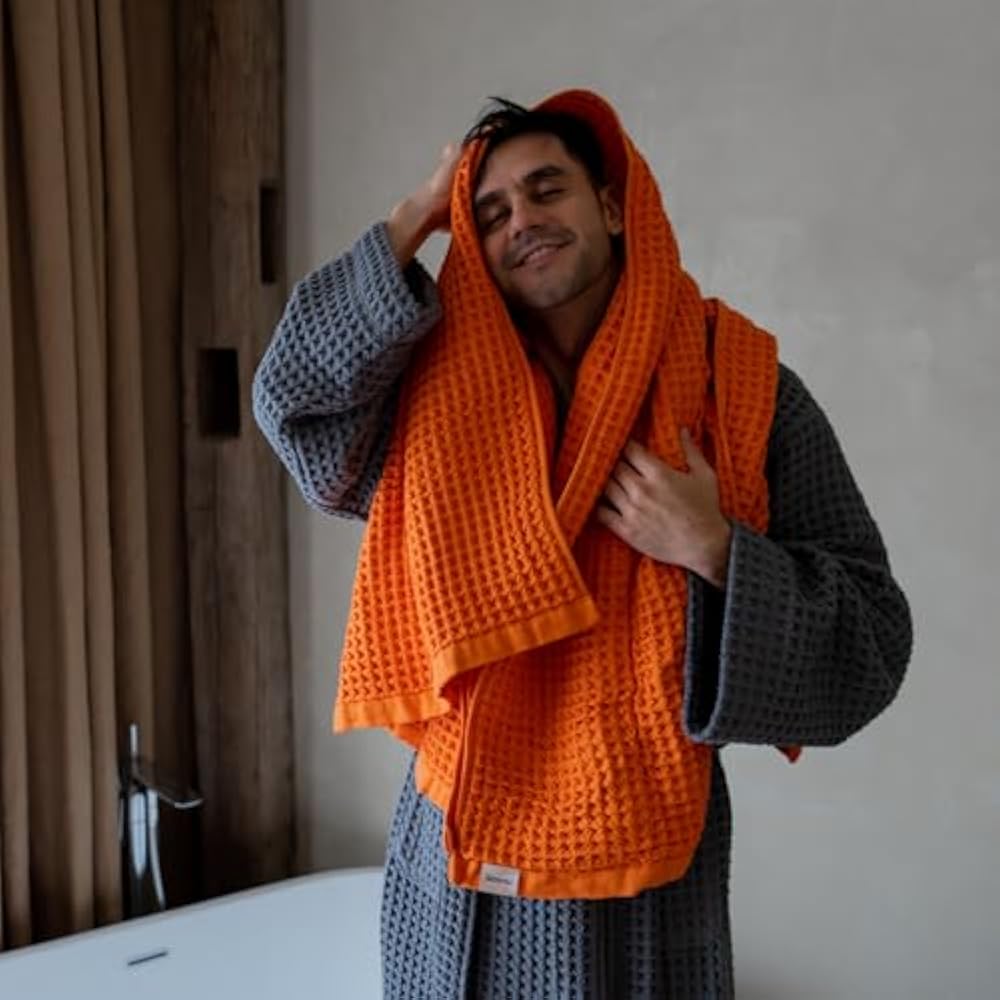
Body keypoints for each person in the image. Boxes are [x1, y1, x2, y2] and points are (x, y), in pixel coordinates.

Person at [253, 90, 912, 1000]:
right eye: (490, 213)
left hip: (647, 871)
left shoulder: (741, 387)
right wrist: (414, 215)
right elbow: (288, 402)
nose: (522, 221)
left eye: (545, 189)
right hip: (454, 851)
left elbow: (873, 639)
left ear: (612, 204)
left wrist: (715, 547)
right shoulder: (429, 396)